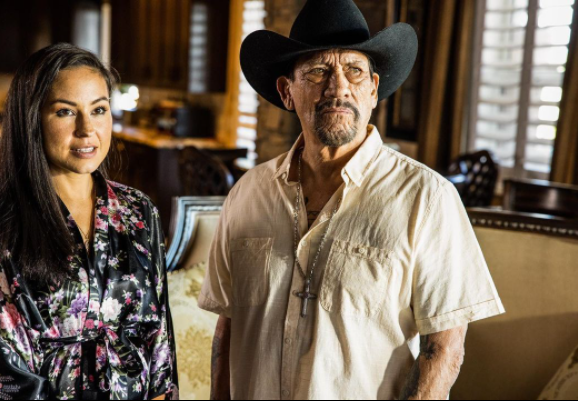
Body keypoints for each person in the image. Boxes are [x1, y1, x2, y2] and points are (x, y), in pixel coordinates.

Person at [199, 0, 505, 399]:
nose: (338, 87)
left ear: (373, 90)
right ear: (287, 92)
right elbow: (228, 326)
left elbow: (444, 349)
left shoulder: (428, 198)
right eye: (318, 71)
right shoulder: (246, 194)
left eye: (354, 70)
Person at [0, 43, 178, 400]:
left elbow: (159, 339)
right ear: (32, 119)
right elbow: (2, 371)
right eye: (65, 112)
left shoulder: (138, 211)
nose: (87, 129)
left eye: (99, 109)